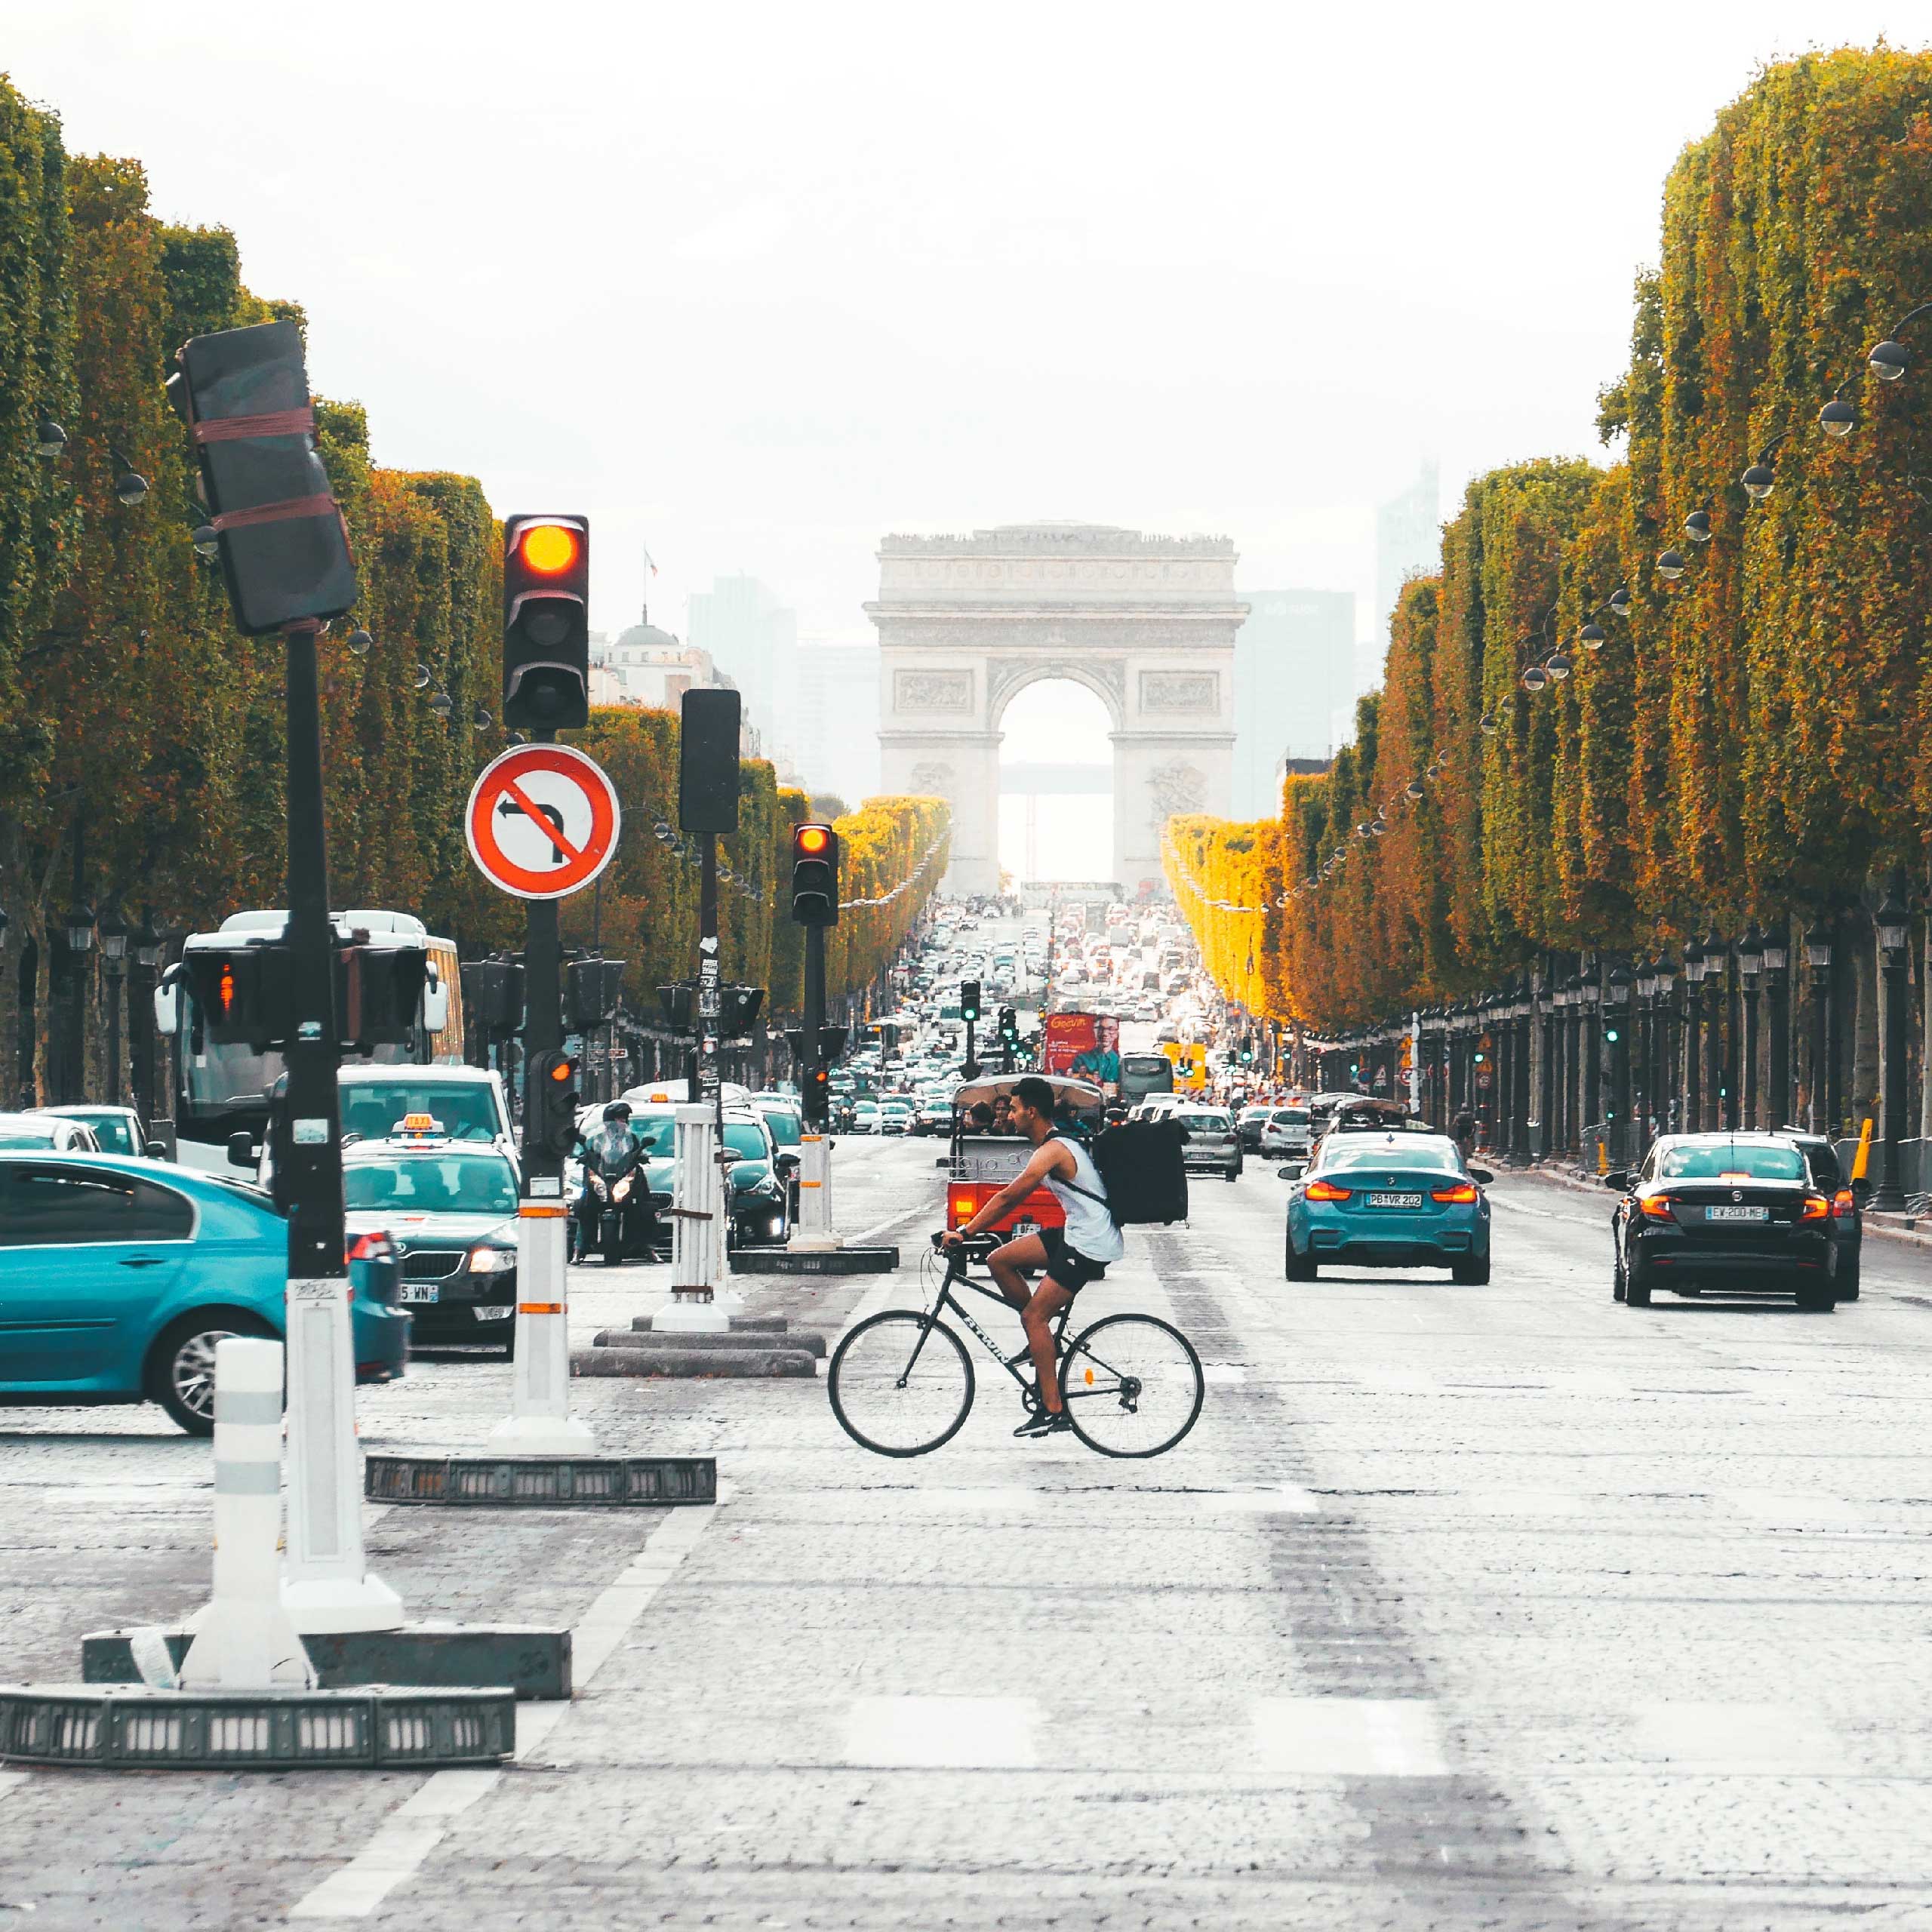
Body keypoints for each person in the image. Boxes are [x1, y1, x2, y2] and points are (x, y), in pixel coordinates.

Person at [942, 1074, 1124, 1438]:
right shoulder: (1051, 1145)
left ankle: (1054, 1410)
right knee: (999, 1260)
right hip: (1076, 1233)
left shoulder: (1053, 1150)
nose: (1008, 1115)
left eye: (1013, 1108)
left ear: (1032, 1111)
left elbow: (1009, 1198)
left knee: (1034, 1318)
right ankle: (1044, 1340)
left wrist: (964, 1232)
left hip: (1090, 1243)